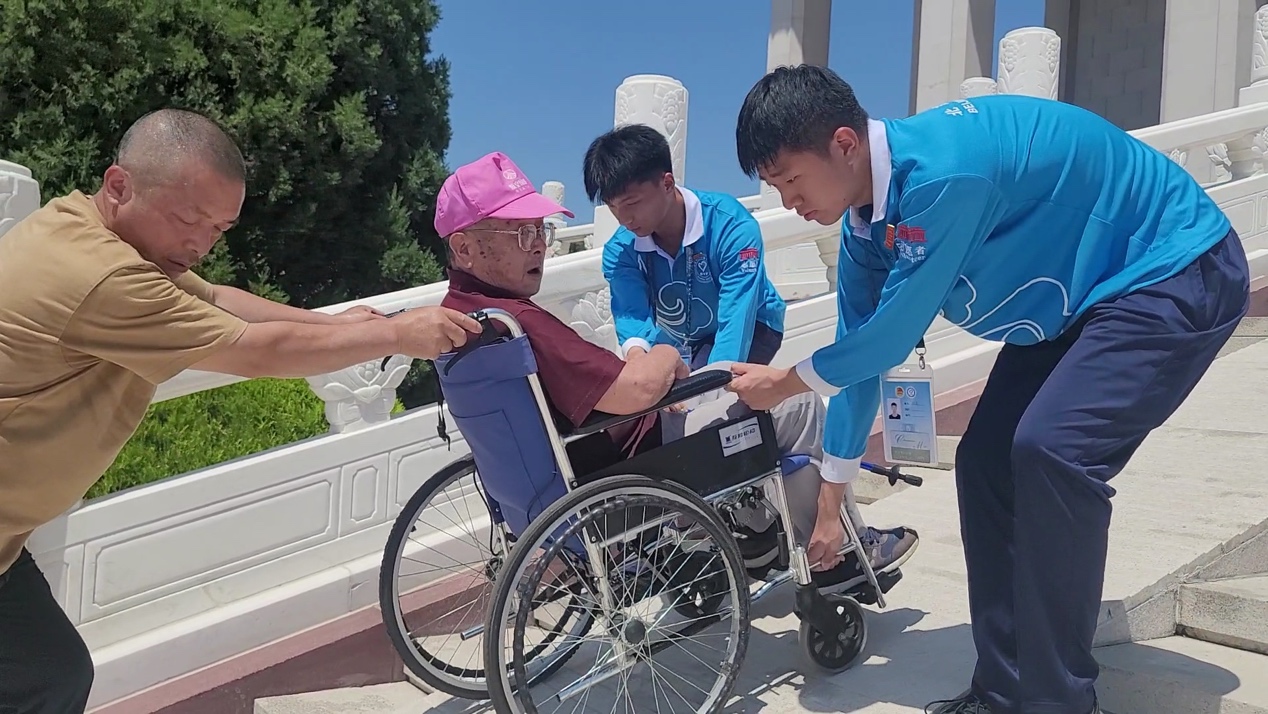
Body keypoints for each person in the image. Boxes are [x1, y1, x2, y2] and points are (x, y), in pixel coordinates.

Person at [726, 65, 1249, 714]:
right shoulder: (864, 230)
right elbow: (859, 364)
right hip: (1075, 302)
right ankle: (1002, 693)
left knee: (1050, 451)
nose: (788, 203)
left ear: (844, 143)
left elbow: (889, 340)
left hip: (1170, 265)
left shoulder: (942, 175)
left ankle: (1060, 703)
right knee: (983, 462)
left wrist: (785, 382)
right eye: (776, 188)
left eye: (790, 180)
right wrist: (830, 509)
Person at [0, 108, 479, 713]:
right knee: (50, 679)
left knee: (53, 675)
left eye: (219, 229)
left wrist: (332, 324)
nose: (200, 244)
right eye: (188, 220)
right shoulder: (100, 275)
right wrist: (394, 335)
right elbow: (253, 351)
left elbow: (217, 298)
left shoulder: (87, 228)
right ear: (118, 185)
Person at [435, 151, 919, 593]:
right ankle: (839, 553)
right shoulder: (525, 319)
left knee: (749, 400)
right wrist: (666, 360)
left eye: (540, 231)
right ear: (464, 248)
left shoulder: (462, 323)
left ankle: (759, 528)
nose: (539, 247)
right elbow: (637, 370)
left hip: (638, 420)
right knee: (798, 404)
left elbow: (736, 322)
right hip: (643, 447)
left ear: (666, 184)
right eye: (521, 234)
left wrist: (694, 379)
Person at [585, 124, 786, 369]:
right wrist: (640, 363)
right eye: (613, 206)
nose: (623, 219)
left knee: (710, 389)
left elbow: (738, 315)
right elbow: (632, 313)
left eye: (632, 203)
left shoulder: (731, 226)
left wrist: (714, 379)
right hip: (684, 339)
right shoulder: (620, 251)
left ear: (667, 184)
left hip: (754, 323)